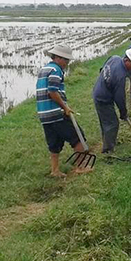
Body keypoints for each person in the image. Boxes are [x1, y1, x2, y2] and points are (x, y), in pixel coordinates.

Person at [36, 45, 93, 177]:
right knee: (77, 138)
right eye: (66, 60)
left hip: (44, 115)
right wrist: (65, 107)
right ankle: (81, 166)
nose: (67, 63)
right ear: (58, 58)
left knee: (54, 142)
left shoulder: (44, 69)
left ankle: (55, 170)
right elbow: (52, 92)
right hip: (57, 113)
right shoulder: (56, 70)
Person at [93, 48, 131, 153]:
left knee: (106, 121)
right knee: (112, 123)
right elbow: (119, 97)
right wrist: (123, 112)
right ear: (127, 60)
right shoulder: (120, 76)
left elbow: (102, 69)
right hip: (103, 98)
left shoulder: (115, 58)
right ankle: (108, 150)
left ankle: (106, 142)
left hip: (98, 90)